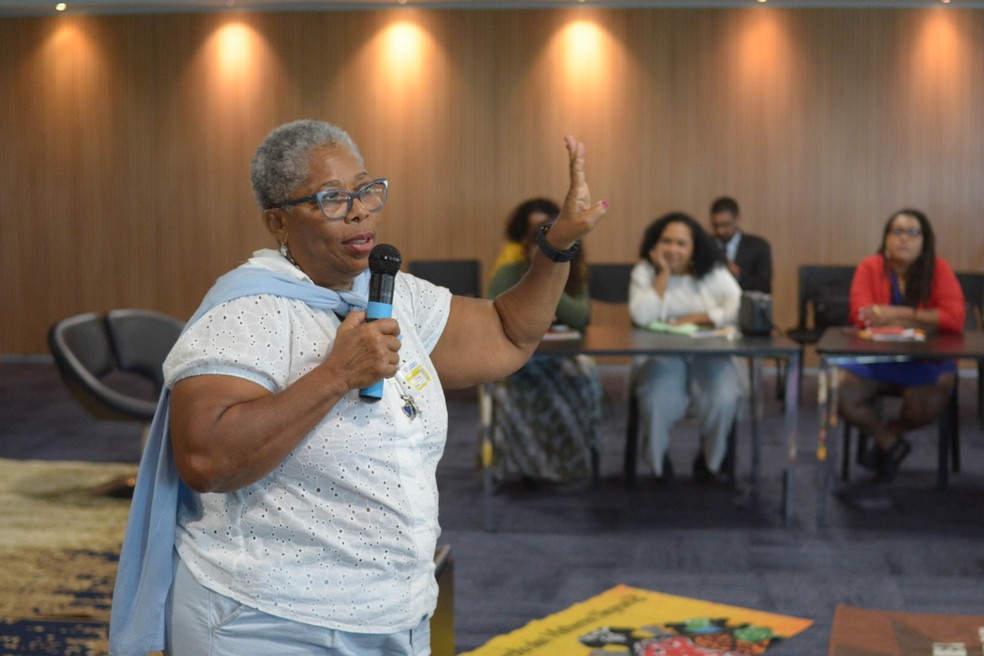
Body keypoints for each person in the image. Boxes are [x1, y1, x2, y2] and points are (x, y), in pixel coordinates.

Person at [108, 119, 607, 656]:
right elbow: (207, 460)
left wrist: (558, 244)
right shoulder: (246, 312)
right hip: (266, 620)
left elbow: (509, 334)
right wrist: (336, 376)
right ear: (278, 221)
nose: (360, 211)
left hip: (393, 611)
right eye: (331, 199)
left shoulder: (393, 294)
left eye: (366, 190)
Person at [837, 208, 965, 484]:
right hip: (878, 358)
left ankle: (893, 432)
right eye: (896, 231)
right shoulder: (870, 267)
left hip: (928, 359)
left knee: (931, 399)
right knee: (840, 391)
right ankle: (890, 444)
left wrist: (894, 314)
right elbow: (861, 315)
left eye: (912, 232)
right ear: (886, 239)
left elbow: (954, 319)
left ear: (924, 241)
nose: (903, 238)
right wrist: (925, 320)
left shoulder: (939, 269)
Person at [486, 202, 601, 483]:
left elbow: (580, 317)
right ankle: (524, 464)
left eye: (555, 248)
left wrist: (550, 280)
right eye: (540, 247)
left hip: (562, 354)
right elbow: (490, 313)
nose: (545, 254)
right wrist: (533, 297)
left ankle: (570, 462)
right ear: (528, 247)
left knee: (585, 375)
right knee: (513, 385)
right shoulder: (509, 272)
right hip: (515, 352)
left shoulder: (574, 272)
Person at [628, 212, 747, 485]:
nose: (672, 249)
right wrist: (663, 274)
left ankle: (711, 460)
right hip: (662, 357)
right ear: (655, 244)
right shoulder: (644, 272)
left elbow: (737, 306)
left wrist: (699, 318)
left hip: (712, 355)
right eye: (666, 241)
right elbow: (641, 316)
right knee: (655, 397)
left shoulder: (713, 272)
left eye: (681, 243)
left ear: (694, 248)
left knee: (724, 396)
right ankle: (658, 463)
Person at [708, 196, 772, 294]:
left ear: (737, 219)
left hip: (745, 300)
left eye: (725, 225)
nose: (720, 231)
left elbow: (765, 286)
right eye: (716, 226)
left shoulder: (758, 247)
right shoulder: (706, 246)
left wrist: (739, 275)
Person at [490, 197, 558, 278]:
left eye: (543, 225)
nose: (538, 230)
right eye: (532, 226)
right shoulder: (513, 252)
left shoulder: (564, 249)